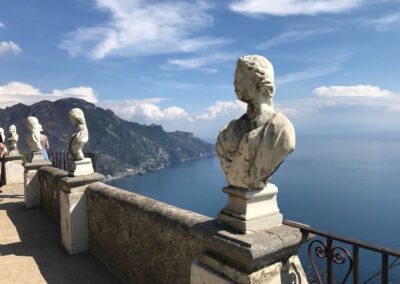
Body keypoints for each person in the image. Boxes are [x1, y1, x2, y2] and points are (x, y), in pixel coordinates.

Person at [215, 55, 295, 189]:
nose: (234, 83)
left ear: (259, 81)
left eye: (239, 78)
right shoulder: (228, 130)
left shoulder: (282, 129)